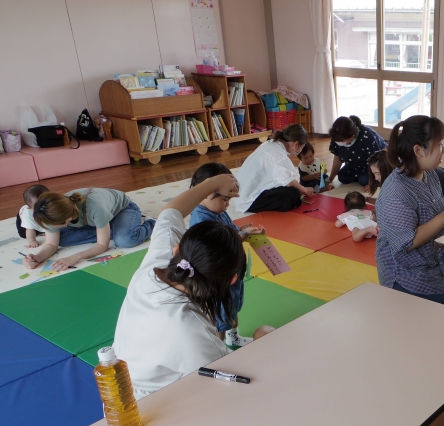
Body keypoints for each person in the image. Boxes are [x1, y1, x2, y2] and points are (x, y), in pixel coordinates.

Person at [114, 172, 273, 400]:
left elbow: (171, 211)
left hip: (119, 386)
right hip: (150, 405)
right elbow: (241, 382)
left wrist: (213, 183)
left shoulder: (157, 263)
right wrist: (264, 341)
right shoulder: (193, 330)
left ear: (177, 249)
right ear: (232, 280)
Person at [375, 115, 444, 311]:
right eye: (439, 144)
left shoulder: (430, 174)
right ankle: (401, 293)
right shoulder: (395, 192)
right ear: (418, 150)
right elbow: (407, 243)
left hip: (436, 257)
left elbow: (434, 211)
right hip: (408, 270)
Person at [189, 162, 266, 348]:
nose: (227, 204)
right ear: (207, 193)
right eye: (225, 199)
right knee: (221, 317)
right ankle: (219, 349)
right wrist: (243, 234)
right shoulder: (201, 219)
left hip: (233, 274)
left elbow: (230, 231)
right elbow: (220, 245)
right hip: (219, 280)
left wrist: (243, 230)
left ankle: (233, 338)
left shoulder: (217, 211)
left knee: (232, 309)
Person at [26, 188, 155, 271]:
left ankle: (151, 223)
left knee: (125, 240)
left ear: (67, 220)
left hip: (123, 209)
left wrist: (75, 257)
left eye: (51, 225)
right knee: (61, 240)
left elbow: (102, 245)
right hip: (94, 219)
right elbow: (52, 244)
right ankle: (108, 229)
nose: (48, 227)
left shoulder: (95, 208)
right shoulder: (48, 211)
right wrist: (37, 257)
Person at [233, 124, 314, 213]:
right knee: (293, 194)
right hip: (248, 201)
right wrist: (304, 190)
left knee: (285, 186)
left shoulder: (270, 143)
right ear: (296, 144)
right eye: (302, 147)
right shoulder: (279, 155)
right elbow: (290, 182)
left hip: (241, 194)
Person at [365, 148, 444, 204]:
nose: (376, 178)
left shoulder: (406, 176)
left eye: (378, 174)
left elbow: (417, 203)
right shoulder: (391, 177)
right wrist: (372, 201)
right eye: (374, 174)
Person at [328, 116, 387, 187]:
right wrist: (330, 179)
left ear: (352, 137)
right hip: (354, 165)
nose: (339, 143)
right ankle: (360, 176)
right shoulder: (336, 137)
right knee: (342, 177)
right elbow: (337, 158)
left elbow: (377, 161)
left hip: (372, 166)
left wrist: (372, 184)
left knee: (364, 180)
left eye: (342, 141)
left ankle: (365, 177)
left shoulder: (367, 135)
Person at [17, 184, 49, 248]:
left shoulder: (52, 205)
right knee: (23, 234)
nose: (43, 207)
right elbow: (29, 229)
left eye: (46, 203)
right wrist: (32, 240)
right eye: (38, 206)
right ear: (30, 207)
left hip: (40, 217)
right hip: (23, 217)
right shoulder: (27, 214)